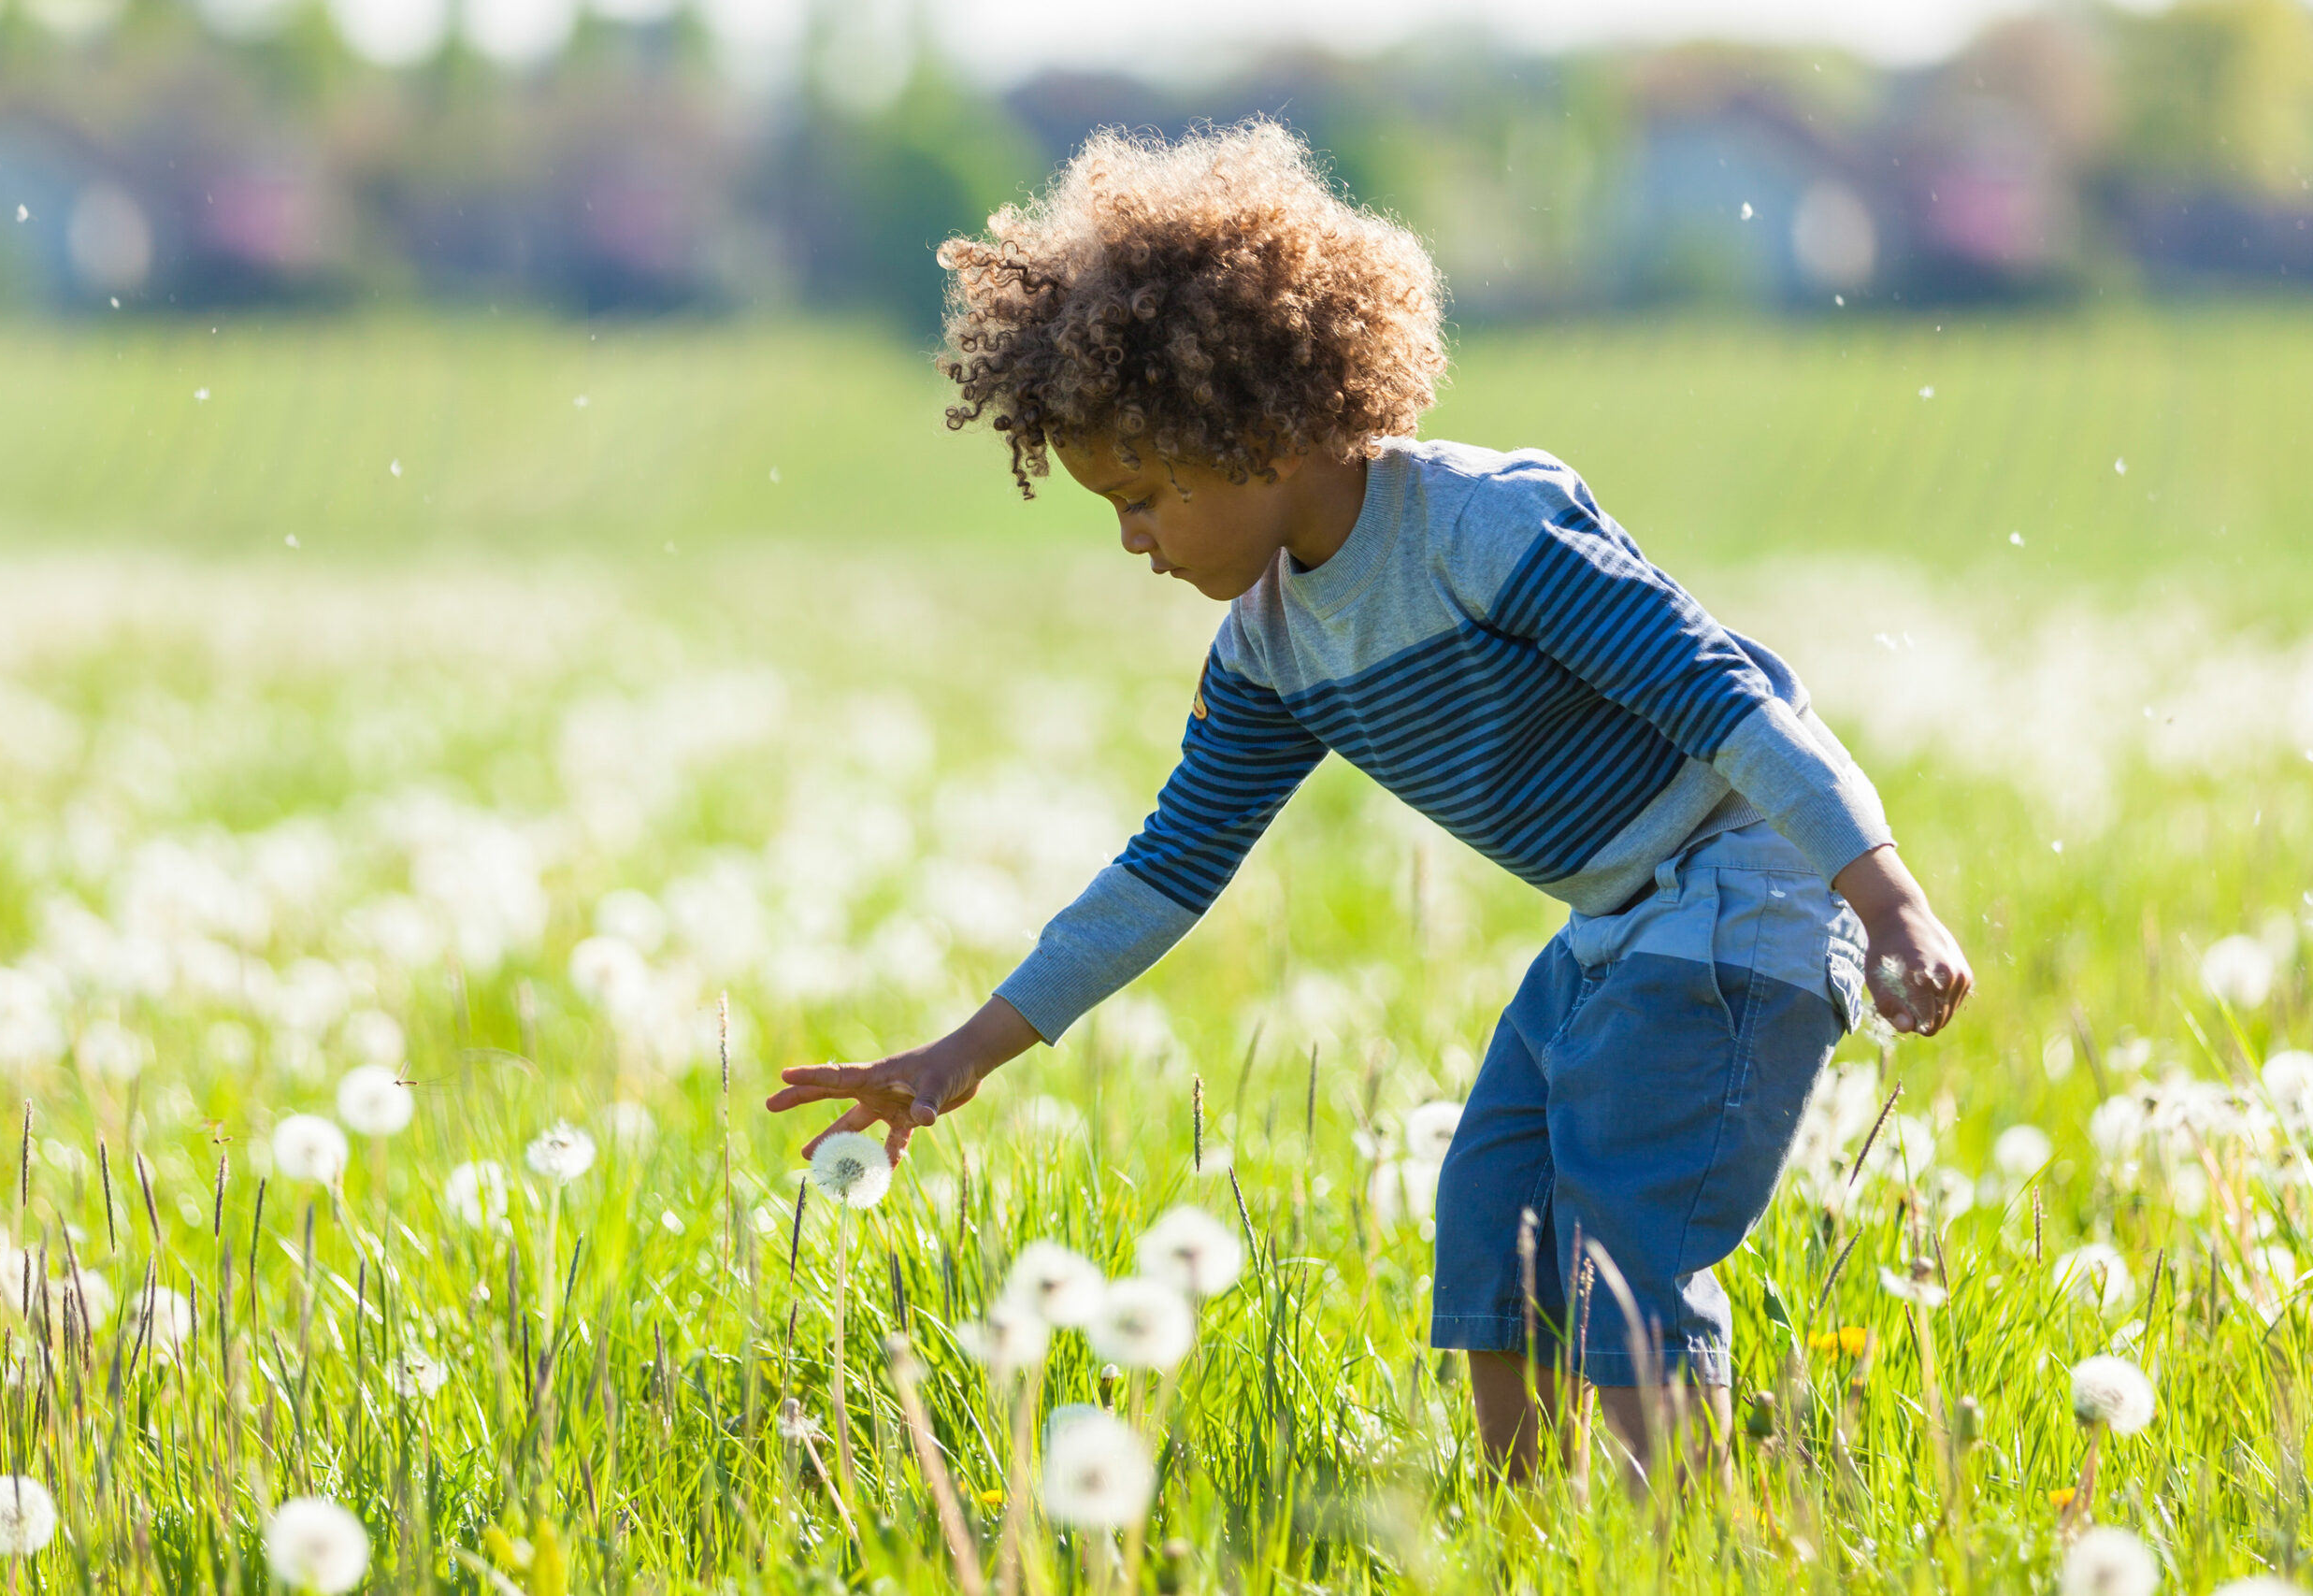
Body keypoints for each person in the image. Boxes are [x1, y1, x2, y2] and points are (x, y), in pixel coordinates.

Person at [764, 121, 1973, 1482]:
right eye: (1111, 506)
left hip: (1748, 879)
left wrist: (1888, 898)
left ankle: (1667, 1544)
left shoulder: (1483, 532)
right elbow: (1168, 867)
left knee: (1624, 1236)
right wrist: (965, 1051)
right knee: (1493, 1214)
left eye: (1147, 494)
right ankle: (1538, 1536)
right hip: (1616, 923)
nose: (1133, 541)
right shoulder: (1272, 647)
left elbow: (1722, 699)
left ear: (1259, 431)